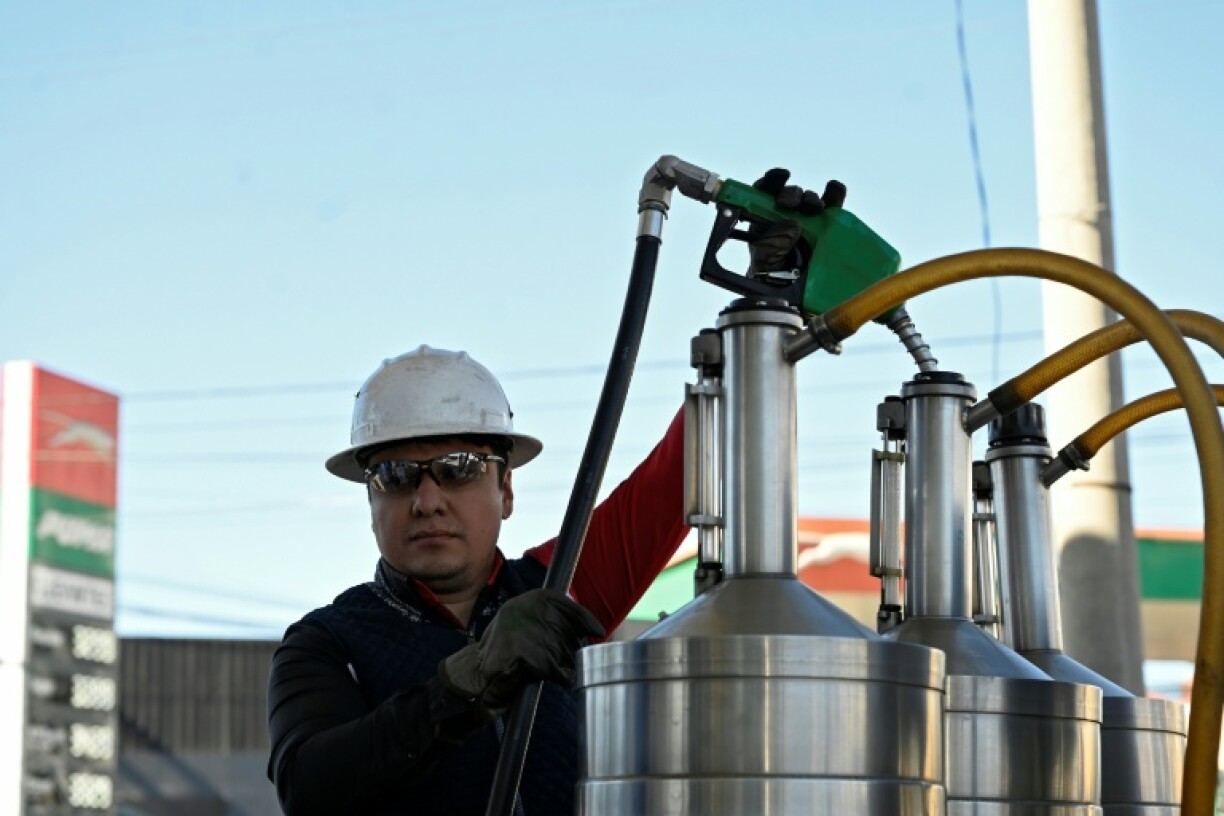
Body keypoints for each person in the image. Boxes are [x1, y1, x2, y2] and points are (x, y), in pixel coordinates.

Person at [266, 345, 689, 815]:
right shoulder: (326, 643)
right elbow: (309, 787)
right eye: (395, 475)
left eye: (459, 468)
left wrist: (762, 313)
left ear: (506, 490)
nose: (427, 501)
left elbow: (688, 462)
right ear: (371, 503)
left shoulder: (560, 589)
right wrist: (466, 684)